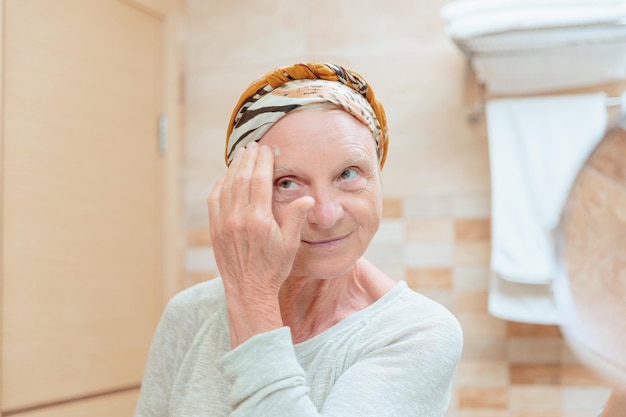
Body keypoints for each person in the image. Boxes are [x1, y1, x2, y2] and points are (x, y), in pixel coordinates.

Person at [134, 62, 463, 417]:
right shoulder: (189, 315)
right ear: (244, 194)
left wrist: (253, 297)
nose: (326, 214)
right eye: (287, 182)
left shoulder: (416, 333)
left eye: (348, 174)